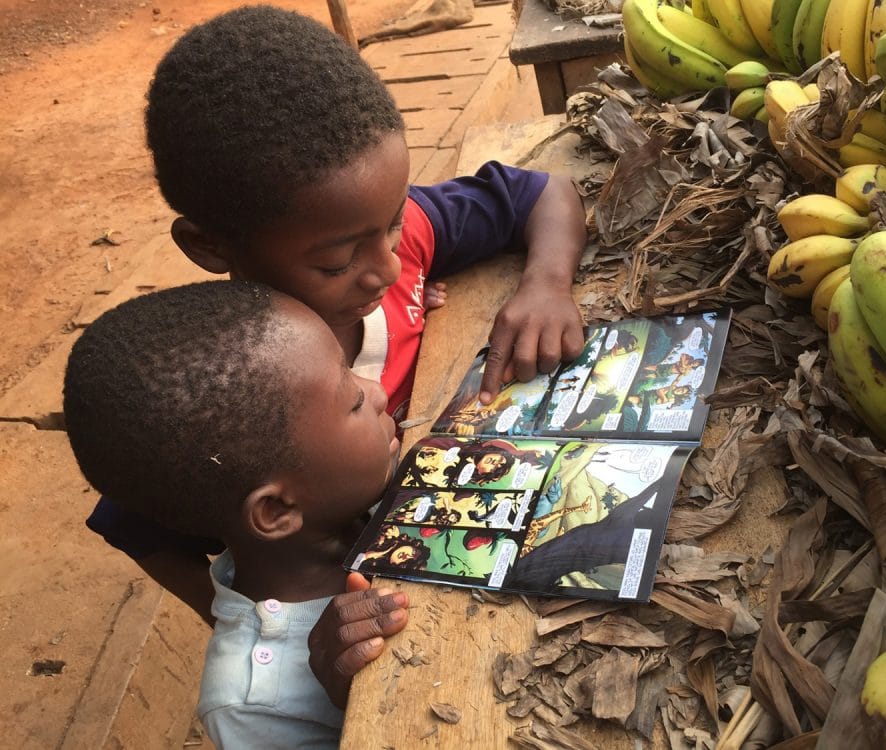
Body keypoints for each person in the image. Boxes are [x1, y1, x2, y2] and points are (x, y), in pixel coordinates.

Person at [85, 5, 587, 623]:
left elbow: (543, 193)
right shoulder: (225, 394)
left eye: (395, 221)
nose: (390, 269)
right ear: (211, 246)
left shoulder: (390, 239)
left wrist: (545, 284)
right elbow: (138, 531)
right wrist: (245, 624)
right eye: (336, 262)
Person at [64, 280, 412, 747]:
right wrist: (355, 704)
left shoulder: (353, 501)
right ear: (276, 510)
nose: (376, 392)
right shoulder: (253, 705)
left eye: (351, 372)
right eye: (352, 401)